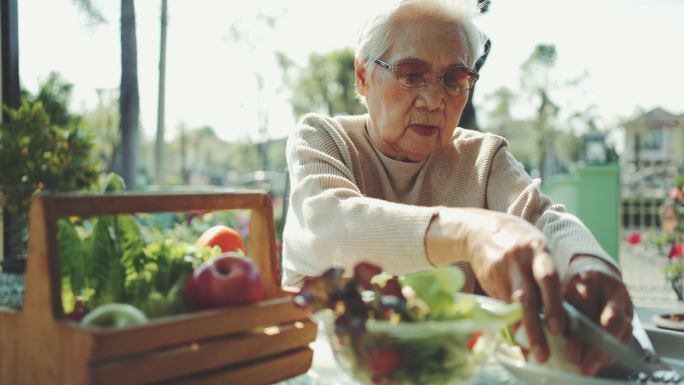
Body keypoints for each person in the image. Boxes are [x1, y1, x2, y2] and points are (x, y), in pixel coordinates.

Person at [281, 0, 633, 377]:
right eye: (411, 74)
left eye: (454, 79)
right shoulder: (322, 137)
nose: (434, 100)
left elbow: (543, 219)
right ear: (363, 77)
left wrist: (586, 261)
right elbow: (327, 225)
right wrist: (470, 232)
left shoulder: (482, 157)